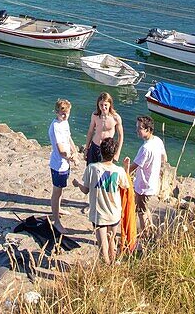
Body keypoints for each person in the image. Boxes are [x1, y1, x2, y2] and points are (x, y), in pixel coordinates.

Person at [73, 136, 129, 264]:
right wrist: (126, 168)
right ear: (114, 153)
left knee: (102, 247)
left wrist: (77, 184)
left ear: (100, 152)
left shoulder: (92, 168)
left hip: (99, 215)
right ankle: (113, 268)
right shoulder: (119, 171)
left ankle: (105, 268)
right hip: (114, 213)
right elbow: (126, 185)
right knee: (112, 243)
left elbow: (86, 190)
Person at [124, 116, 167, 233]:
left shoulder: (145, 148)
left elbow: (133, 167)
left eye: (140, 128)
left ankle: (145, 233)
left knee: (141, 211)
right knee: (145, 207)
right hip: (152, 182)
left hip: (143, 185)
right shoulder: (158, 140)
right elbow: (164, 159)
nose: (137, 130)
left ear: (148, 129)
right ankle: (150, 228)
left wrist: (123, 170)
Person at [48, 99, 74, 233]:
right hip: (58, 165)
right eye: (62, 113)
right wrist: (71, 157)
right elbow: (60, 150)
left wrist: (74, 150)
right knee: (56, 192)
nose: (65, 116)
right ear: (56, 112)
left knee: (61, 190)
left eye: (67, 113)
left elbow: (68, 138)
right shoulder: (56, 126)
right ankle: (56, 221)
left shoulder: (64, 122)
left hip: (65, 164)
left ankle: (58, 209)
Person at [85, 92, 124, 164]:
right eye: (101, 105)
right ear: (98, 105)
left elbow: (120, 136)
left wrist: (117, 153)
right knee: (91, 169)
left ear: (110, 104)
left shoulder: (115, 118)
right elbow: (90, 132)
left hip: (107, 150)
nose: (103, 107)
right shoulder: (95, 115)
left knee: (103, 172)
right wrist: (87, 148)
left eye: (105, 105)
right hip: (94, 146)